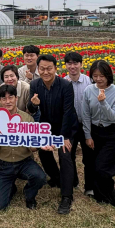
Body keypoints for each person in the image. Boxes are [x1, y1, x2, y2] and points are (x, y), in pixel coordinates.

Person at [27, 54, 78, 215]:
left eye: (49, 68)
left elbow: (68, 112)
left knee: (65, 154)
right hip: (46, 127)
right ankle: (57, 178)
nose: (45, 72)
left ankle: (67, 196)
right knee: (44, 152)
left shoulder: (65, 85)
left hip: (66, 126)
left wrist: (63, 137)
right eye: (42, 68)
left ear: (55, 69)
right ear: (38, 69)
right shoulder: (34, 84)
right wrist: (33, 105)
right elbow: (31, 109)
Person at [0, 84, 47, 210]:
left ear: (16, 98)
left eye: (11, 97)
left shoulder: (27, 119)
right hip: (4, 165)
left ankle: (29, 195)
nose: (8, 101)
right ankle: (10, 187)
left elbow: (32, 148)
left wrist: (39, 145)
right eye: (4, 98)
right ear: (0, 100)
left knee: (40, 177)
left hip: (24, 162)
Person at [82, 60, 115, 207]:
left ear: (108, 75)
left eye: (102, 76)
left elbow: (113, 117)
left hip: (112, 133)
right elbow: (85, 115)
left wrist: (103, 102)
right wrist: (88, 136)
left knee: (103, 168)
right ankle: (98, 196)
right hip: (95, 131)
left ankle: (109, 199)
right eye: (95, 76)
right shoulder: (89, 90)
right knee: (93, 165)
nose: (98, 79)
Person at [63, 52, 93, 194]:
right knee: (69, 155)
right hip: (70, 126)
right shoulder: (63, 82)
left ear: (81, 64)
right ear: (65, 65)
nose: (72, 66)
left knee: (89, 156)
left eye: (75, 63)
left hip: (86, 124)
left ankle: (90, 187)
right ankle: (73, 181)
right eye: (69, 63)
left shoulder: (89, 82)